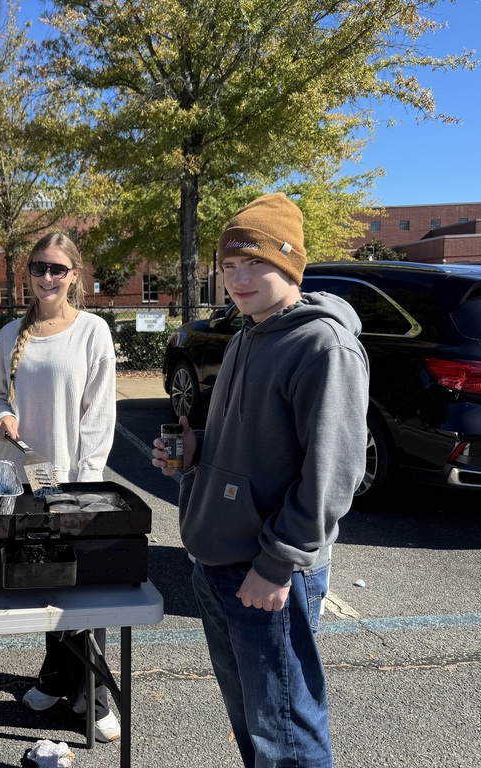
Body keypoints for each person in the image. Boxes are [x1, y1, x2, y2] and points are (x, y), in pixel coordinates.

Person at [152, 193, 369, 767]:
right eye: (228, 266)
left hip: (266, 574)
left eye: (257, 263)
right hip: (218, 564)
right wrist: (195, 454)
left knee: (287, 739)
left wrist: (276, 565)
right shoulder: (250, 333)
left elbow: (335, 473)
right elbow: (253, 448)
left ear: (291, 264)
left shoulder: (323, 345)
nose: (239, 278)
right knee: (254, 728)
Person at [0, 232, 120, 743]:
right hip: (21, 479)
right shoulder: (9, 333)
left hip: (72, 480)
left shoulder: (92, 332)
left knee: (85, 586)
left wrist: (82, 484)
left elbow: (99, 416)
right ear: (28, 272)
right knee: (44, 581)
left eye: (57, 269)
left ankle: (96, 692)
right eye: (39, 267)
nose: (47, 277)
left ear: (75, 275)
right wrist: (3, 415)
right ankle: (57, 675)